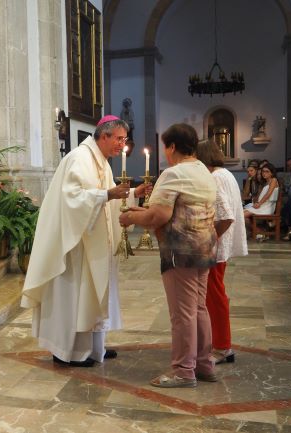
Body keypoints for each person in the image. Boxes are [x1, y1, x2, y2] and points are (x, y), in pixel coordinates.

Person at [21, 115, 149, 367]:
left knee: (93, 294)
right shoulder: (78, 158)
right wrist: (107, 194)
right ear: (104, 136)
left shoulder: (102, 162)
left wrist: (134, 193)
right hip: (75, 247)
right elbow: (72, 199)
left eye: (124, 139)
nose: (122, 144)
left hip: (94, 244)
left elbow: (110, 198)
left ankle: (93, 347)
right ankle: (68, 352)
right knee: (74, 296)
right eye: (119, 139)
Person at [119, 123, 217, 388]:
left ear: (172, 146)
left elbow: (159, 216)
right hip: (205, 248)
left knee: (182, 313)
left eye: (165, 147)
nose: (165, 152)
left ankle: (184, 370)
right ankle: (204, 364)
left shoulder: (174, 173)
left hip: (181, 250)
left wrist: (130, 217)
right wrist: (141, 213)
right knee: (199, 308)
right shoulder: (204, 171)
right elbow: (178, 210)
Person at [196, 139, 248, 365]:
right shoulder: (226, 174)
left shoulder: (215, 177)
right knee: (214, 294)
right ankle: (216, 342)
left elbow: (226, 216)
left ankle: (222, 346)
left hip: (215, 246)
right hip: (219, 245)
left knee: (215, 296)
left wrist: (209, 240)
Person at [243, 162, 279, 227]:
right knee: (240, 214)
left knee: (241, 216)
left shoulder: (274, 180)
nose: (264, 173)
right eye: (263, 171)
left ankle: (257, 230)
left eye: (267, 171)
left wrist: (259, 204)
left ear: (272, 173)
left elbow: (268, 194)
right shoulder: (265, 183)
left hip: (267, 207)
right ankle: (256, 230)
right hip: (261, 206)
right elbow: (257, 196)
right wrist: (256, 202)